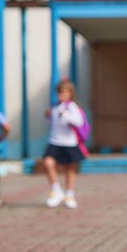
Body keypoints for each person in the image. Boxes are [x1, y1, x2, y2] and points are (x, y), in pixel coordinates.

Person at [42, 79, 85, 209]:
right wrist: (48, 115)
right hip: (55, 141)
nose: (61, 95)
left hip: (69, 142)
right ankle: (56, 190)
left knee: (70, 169)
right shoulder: (55, 106)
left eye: (64, 93)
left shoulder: (71, 106)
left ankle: (70, 195)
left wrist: (65, 115)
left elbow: (79, 122)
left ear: (70, 94)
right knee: (48, 163)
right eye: (59, 92)